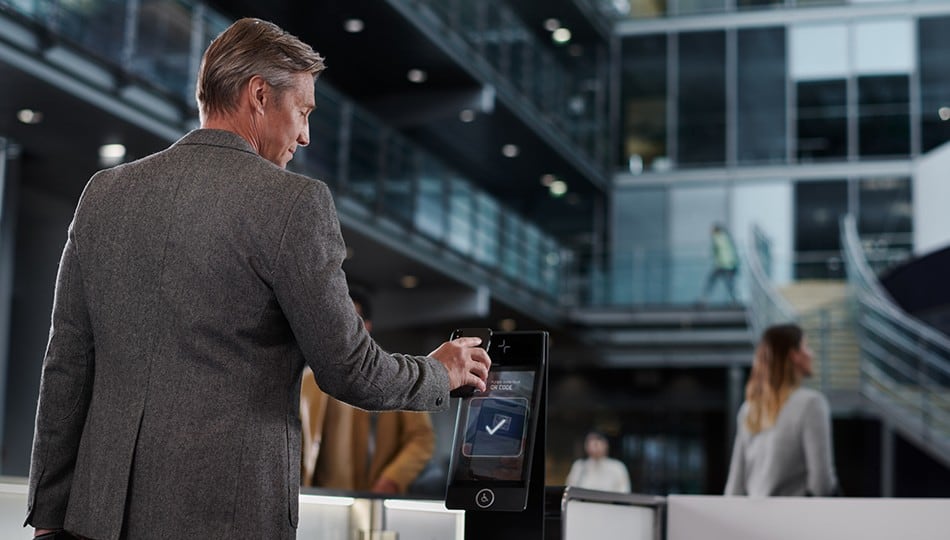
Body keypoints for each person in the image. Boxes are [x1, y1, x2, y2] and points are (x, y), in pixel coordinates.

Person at [26, 18, 491, 539]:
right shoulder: (293, 203)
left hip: (95, 522)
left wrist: (48, 519)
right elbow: (350, 370)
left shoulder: (104, 194)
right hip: (225, 522)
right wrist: (439, 373)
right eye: (303, 111)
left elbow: (66, 368)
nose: (305, 135)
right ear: (260, 96)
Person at [301, 290, 435, 494]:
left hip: (372, 496)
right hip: (321, 498)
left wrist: (393, 478)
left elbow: (422, 437)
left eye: (351, 320)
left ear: (367, 327)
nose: (342, 328)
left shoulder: (394, 373)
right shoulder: (308, 380)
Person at [725, 323, 838, 497]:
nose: (812, 354)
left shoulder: (749, 409)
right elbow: (821, 484)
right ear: (794, 355)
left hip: (754, 513)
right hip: (794, 513)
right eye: (806, 346)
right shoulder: (811, 404)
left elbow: (734, 486)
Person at [565, 431, 631, 493]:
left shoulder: (617, 467)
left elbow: (624, 492)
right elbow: (569, 490)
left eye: (596, 443)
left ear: (606, 445)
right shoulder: (579, 466)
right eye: (590, 443)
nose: (594, 447)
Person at [699, 223, 739, 304]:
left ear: (715, 231)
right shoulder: (726, 237)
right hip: (731, 264)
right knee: (729, 283)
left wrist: (715, 261)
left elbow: (716, 251)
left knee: (711, 281)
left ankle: (704, 299)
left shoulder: (716, 238)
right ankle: (734, 300)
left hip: (722, 264)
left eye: (711, 230)